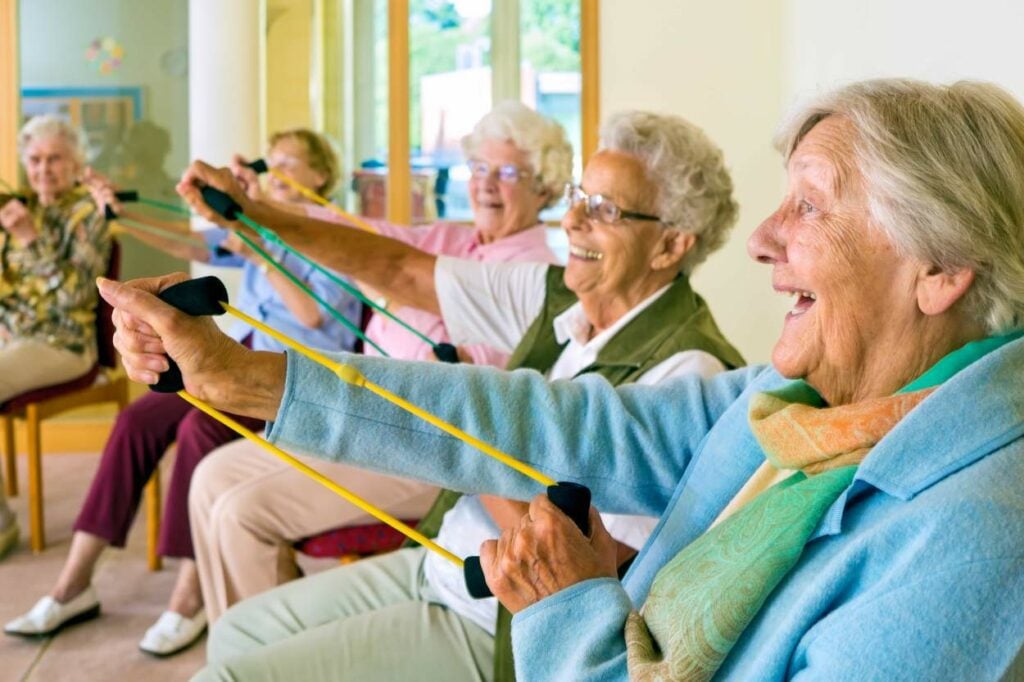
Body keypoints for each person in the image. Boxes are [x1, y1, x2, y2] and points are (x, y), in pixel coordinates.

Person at [108, 78, 1024, 680]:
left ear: (938, 267)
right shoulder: (798, 402)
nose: (762, 241)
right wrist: (241, 377)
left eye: (812, 206)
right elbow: (538, 417)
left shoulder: (972, 538)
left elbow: (579, 543)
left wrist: (574, 607)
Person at [134, 107, 742, 679]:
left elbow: (612, 571)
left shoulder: (690, 370)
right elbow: (400, 268)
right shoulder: (562, 295)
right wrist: (254, 213)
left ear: (671, 244)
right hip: (442, 561)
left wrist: (466, 442)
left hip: (496, 620)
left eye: (605, 209)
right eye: (580, 198)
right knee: (237, 633)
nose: (574, 220)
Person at [188, 102, 575, 624]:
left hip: (428, 448)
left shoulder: (535, 271)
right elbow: (362, 241)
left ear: (545, 188)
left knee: (239, 513)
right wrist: (254, 207)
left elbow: (477, 379)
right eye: (479, 168)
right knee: (209, 478)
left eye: (507, 173)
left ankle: (263, 653)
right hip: (359, 417)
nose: (486, 184)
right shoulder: (450, 239)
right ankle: (245, 645)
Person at [4, 128, 361, 658]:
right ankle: (73, 583)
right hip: (247, 357)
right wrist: (118, 215)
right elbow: (189, 243)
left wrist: (260, 250)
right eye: (274, 161)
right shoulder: (263, 225)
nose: (277, 170)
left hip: (299, 380)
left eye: (292, 162)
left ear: (321, 175)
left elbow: (314, 318)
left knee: (199, 429)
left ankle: (188, 596)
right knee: (137, 421)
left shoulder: (335, 234)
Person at [0, 115, 111, 560]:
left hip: (65, 344)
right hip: (15, 339)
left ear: (76, 162)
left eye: (55, 159)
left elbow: (76, 295)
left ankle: (2, 527)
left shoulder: (88, 213)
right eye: (35, 159)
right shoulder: (23, 204)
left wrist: (29, 238)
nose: (44, 169)